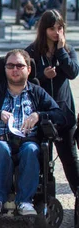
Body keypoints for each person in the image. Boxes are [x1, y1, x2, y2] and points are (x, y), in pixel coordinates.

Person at [0, 49, 64, 215]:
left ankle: (25, 200)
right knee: (1, 148)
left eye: (19, 66)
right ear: (5, 69)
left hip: (28, 140)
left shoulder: (37, 92)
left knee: (31, 150)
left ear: (28, 69)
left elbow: (60, 115)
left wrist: (39, 115)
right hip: (1, 140)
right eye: (10, 66)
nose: (14, 69)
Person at [25, 10, 79, 198]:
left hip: (64, 113)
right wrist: (42, 76)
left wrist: (61, 51)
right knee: (40, 156)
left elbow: (73, 73)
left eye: (60, 28)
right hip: (40, 113)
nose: (56, 32)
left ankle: (77, 193)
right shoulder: (31, 51)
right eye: (52, 28)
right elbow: (23, 81)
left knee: (70, 159)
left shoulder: (68, 50)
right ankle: (41, 197)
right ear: (43, 29)